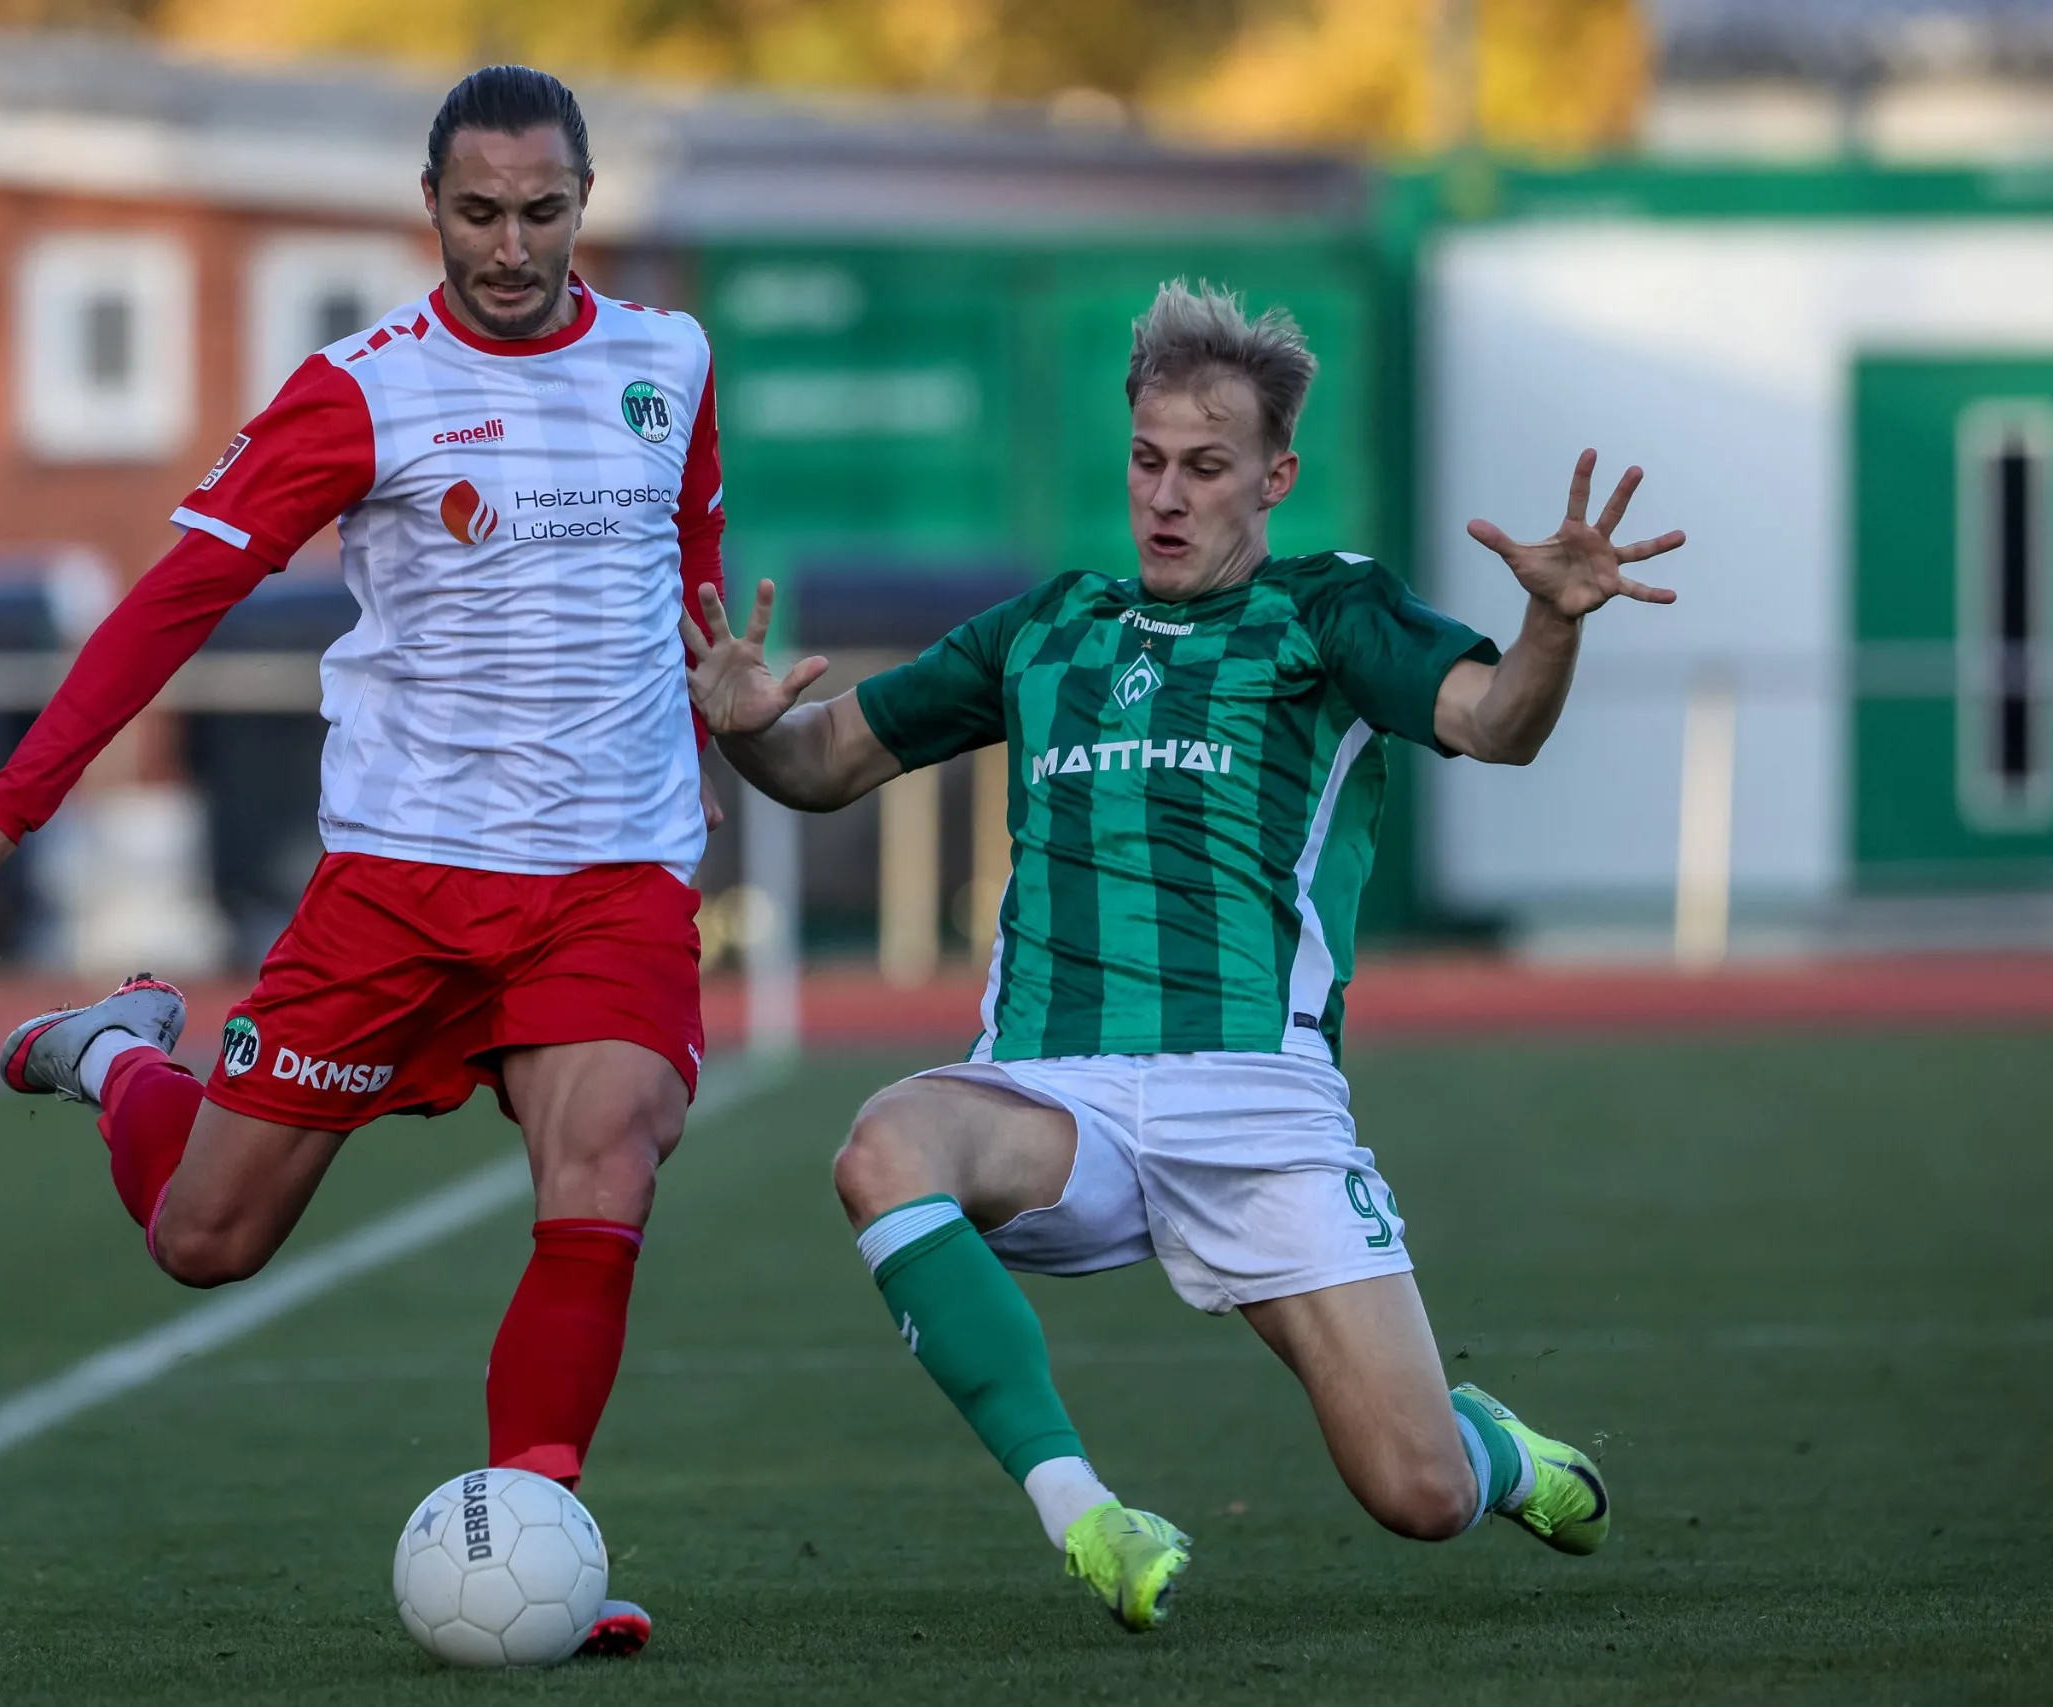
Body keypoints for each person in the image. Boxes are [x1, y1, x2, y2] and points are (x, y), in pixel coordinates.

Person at [683, 278, 1685, 1632]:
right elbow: (818, 765)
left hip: (1261, 1109)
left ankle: (1493, 1446)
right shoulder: (1045, 628)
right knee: (880, 1146)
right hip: (1058, 1099)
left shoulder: (1326, 615)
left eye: (1205, 468)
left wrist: (1554, 620)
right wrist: (747, 722)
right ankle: (1086, 1513)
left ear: (1273, 476)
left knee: (1419, 1492)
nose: (1167, 495)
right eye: (1149, 462)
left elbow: (1498, 723)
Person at [0, 65, 726, 1658]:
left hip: (614, 871)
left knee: (608, 1160)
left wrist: (726, 688)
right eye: (478, 211)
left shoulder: (671, 361)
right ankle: (120, 1058)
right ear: (429, 205)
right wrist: (20, 796)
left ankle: (533, 1542)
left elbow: (689, 568)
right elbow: (175, 600)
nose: (510, 244)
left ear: (584, 206)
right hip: (403, 879)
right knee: (208, 1241)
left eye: (542, 211)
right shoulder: (358, 389)